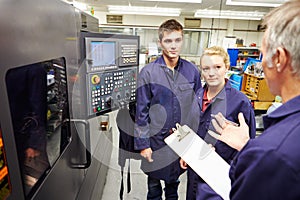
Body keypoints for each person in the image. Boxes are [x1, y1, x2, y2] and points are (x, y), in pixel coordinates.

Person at [207, 0, 300, 199]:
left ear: (279, 59)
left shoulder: (273, 152)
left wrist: (207, 174)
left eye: (264, 55)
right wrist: (247, 146)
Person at [134, 19, 202, 199]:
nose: (173, 46)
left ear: (182, 40)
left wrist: (191, 145)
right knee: (154, 187)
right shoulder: (148, 72)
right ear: (160, 43)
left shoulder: (192, 71)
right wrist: (143, 145)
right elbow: (141, 112)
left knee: (173, 186)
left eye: (177, 40)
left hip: (181, 140)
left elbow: (195, 111)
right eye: (168, 41)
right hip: (155, 141)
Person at [179, 46, 256, 200]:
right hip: (195, 170)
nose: (211, 73)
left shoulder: (240, 102)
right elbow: (191, 126)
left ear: (227, 67)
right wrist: (186, 152)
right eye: (206, 68)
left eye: (217, 67)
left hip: (221, 174)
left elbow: (249, 146)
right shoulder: (198, 95)